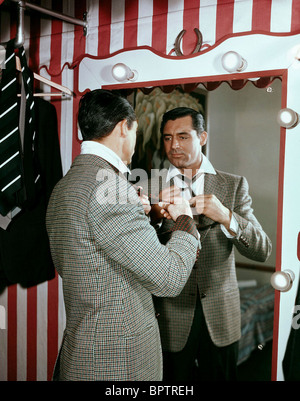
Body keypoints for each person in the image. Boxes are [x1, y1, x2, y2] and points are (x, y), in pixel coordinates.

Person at [45, 90, 200, 381]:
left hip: (83, 347)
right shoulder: (112, 189)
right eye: (136, 130)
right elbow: (169, 278)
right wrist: (184, 220)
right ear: (122, 128)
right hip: (117, 360)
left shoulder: (65, 185)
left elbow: (96, 254)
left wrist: (145, 216)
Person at [150, 106, 272, 381]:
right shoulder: (150, 185)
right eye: (167, 138)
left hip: (221, 314)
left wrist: (227, 217)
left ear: (202, 137)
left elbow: (262, 250)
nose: (174, 145)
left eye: (183, 136)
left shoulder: (233, 186)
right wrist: (156, 217)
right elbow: (136, 251)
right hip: (170, 315)